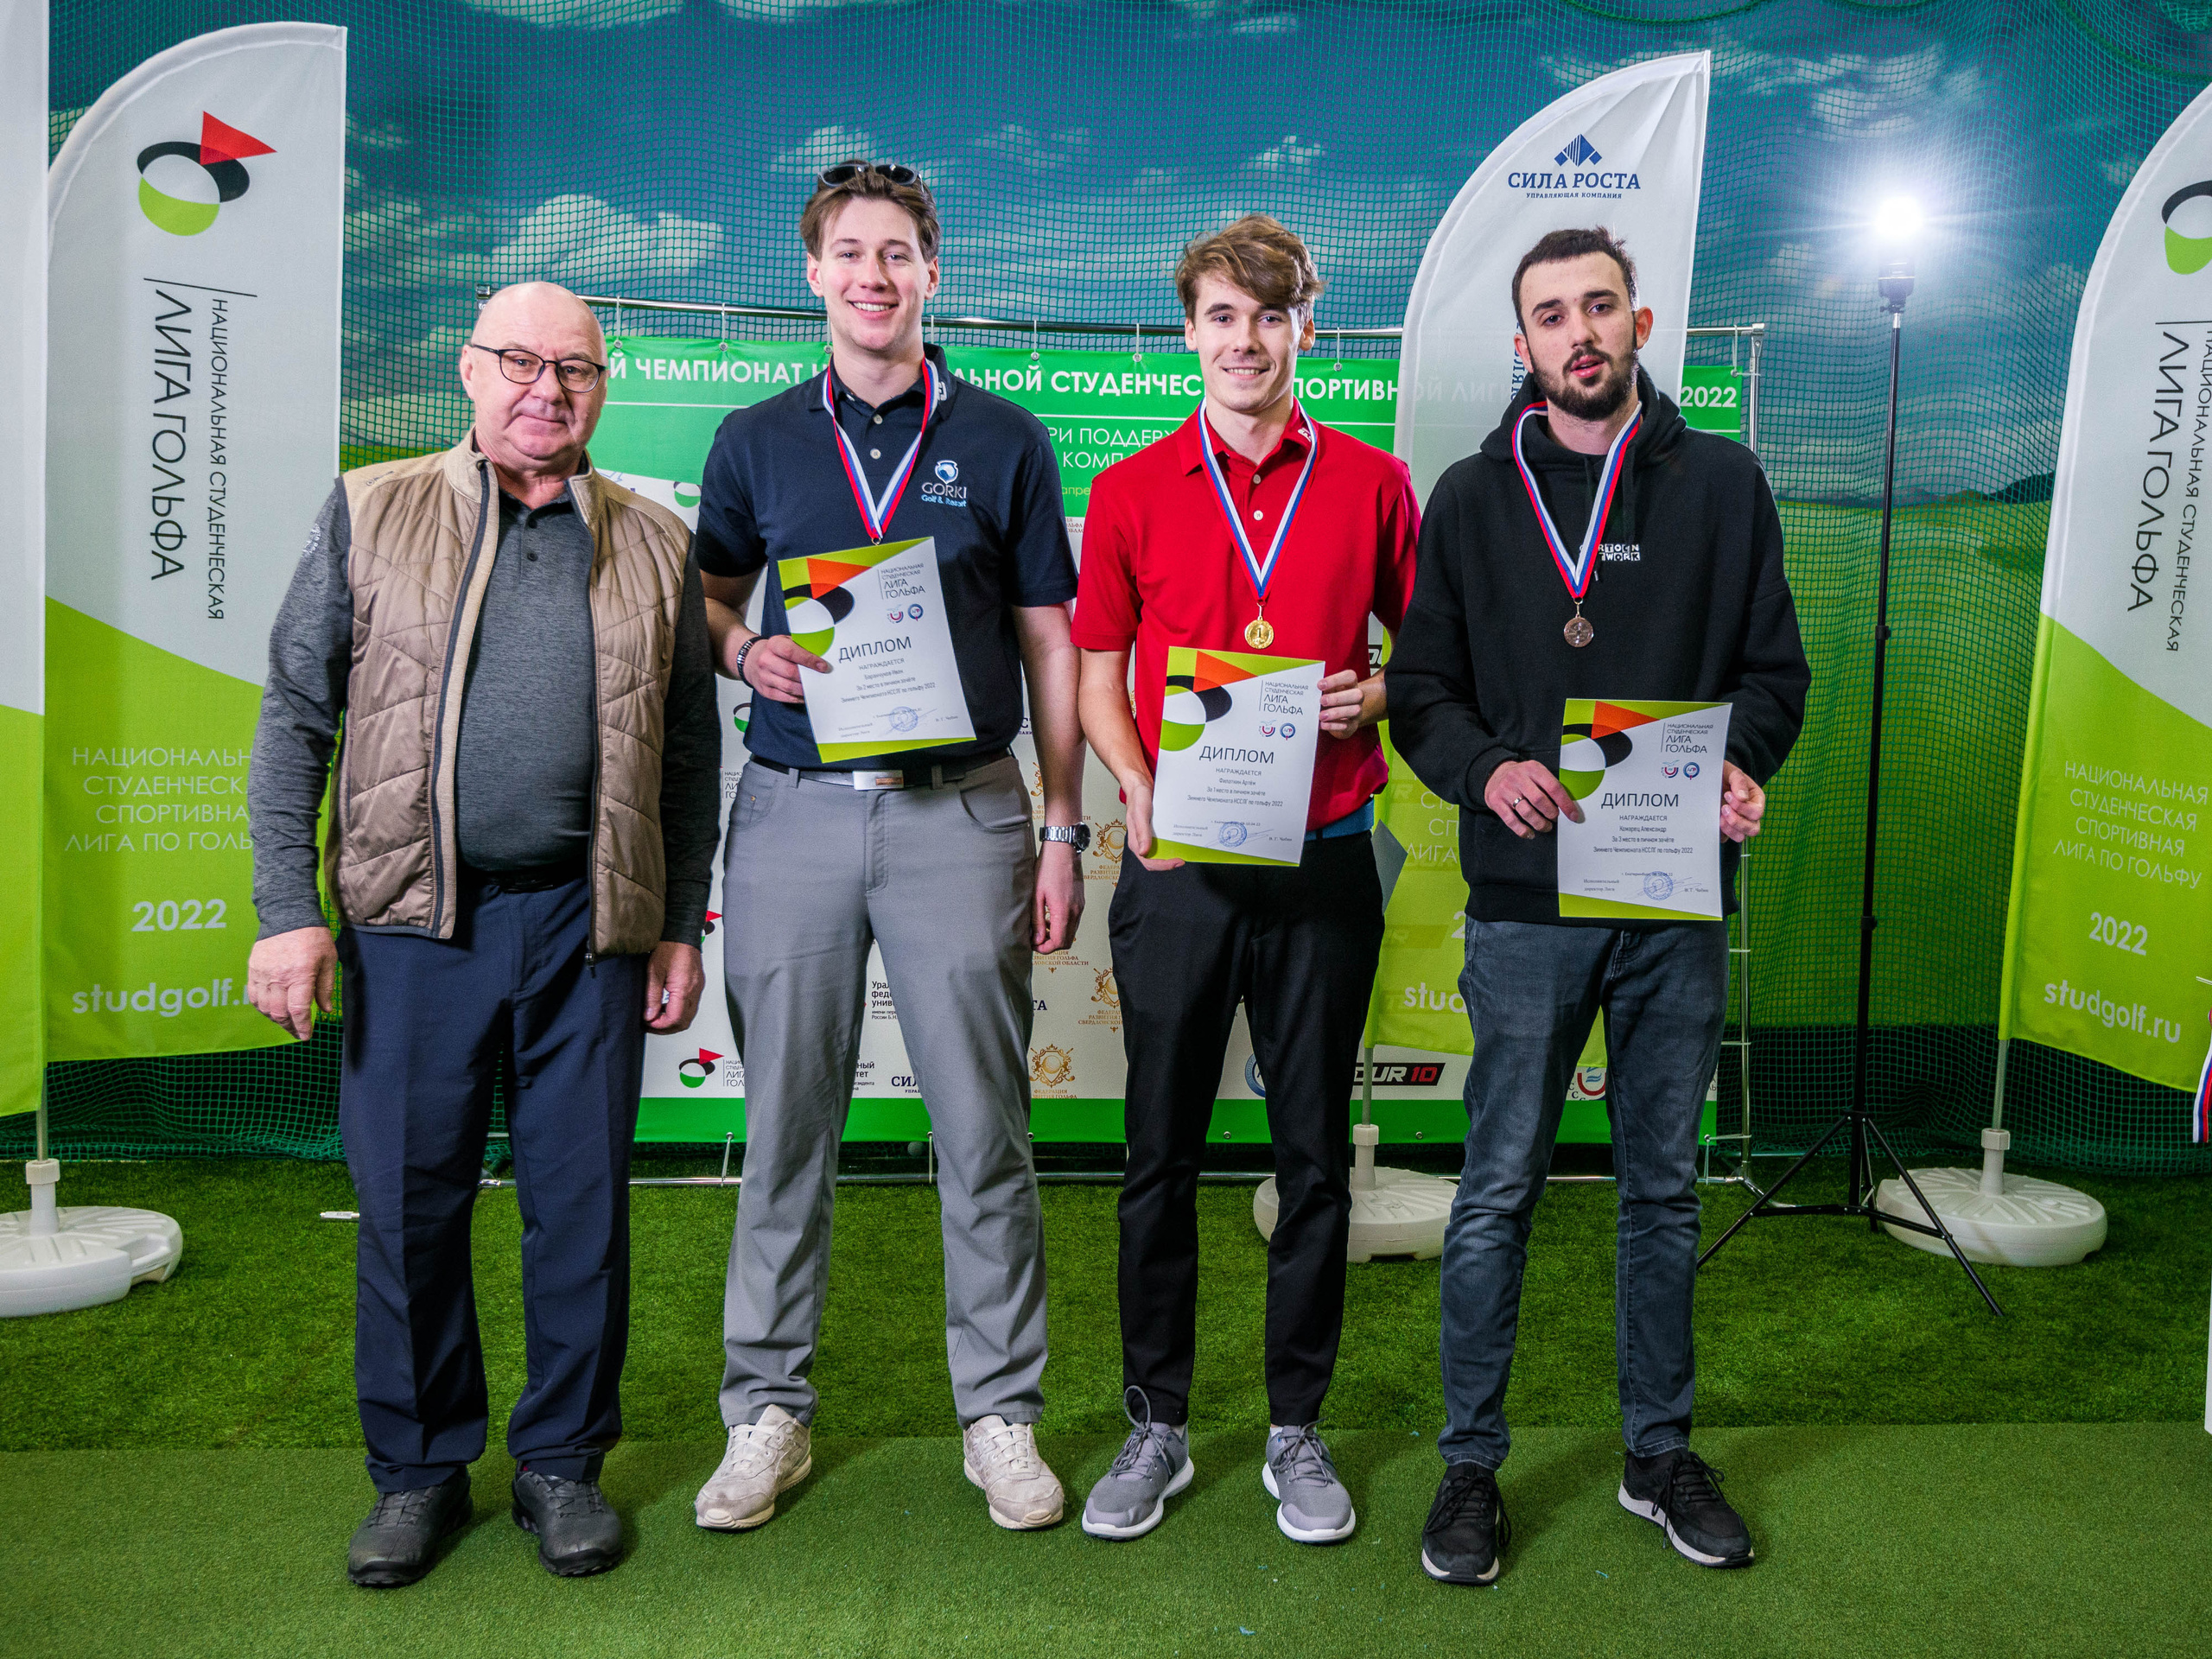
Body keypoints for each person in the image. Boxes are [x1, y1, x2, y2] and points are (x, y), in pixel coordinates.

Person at [245, 282, 721, 1586]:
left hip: (589, 926)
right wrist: (291, 915)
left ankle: (563, 1465)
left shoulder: (652, 539)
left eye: (574, 368)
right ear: (468, 370)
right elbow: (294, 718)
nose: (545, 389)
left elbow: (687, 749)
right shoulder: (372, 509)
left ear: (600, 388)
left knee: (579, 1210)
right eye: (520, 361)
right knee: (408, 1205)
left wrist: (677, 922)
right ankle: (418, 1474)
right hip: (413, 926)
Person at [1386, 227, 1810, 1585]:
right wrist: (1486, 767)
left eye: (1600, 308)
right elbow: (1418, 693)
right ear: (1522, 343)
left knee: (1663, 1191)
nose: (1579, 333)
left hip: (1672, 901)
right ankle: (1469, 1467)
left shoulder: (1726, 485)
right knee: (1497, 1190)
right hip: (1524, 906)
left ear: (1640, 321)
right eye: (1551, 314)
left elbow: (1775, 673)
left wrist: (1741, 765)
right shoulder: (1466, 497)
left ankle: (1658, 1454)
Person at [689, 160, 1085, 1535]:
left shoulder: (1009, 438)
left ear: (934, 271)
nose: (873, 275)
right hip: (795, 811)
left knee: (984, 1132)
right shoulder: (753, 439)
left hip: (964, 812)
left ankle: (1002, 1415)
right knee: (787, 1123)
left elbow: (1050, 644)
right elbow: (708, 602)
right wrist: (745, 650)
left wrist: (1062, 823)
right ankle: (767, 1413)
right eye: (850, 253)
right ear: (815, 274)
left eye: (899, 253)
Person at [1071, 215, 1419, 1545]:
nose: (1247, 341)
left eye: (1271, 319)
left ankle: (1295, 1429)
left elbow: (1425, 659)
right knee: (1157, 1154)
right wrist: (1135, 786)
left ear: (1305, 331)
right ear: (1191, 332)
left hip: (1325, 862)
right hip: (1180, 867)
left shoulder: (1378, 485)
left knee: (1313, 1158)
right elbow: (1102, 674)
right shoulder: (1134, 487)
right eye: (1224, 317)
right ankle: (1156, 1422)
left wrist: (1370, 694)